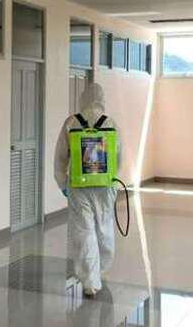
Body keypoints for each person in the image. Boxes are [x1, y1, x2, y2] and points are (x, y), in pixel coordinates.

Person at [54, 83, 120, 298]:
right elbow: (119, 157)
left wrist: (63, 184)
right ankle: (101, 270)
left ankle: (90, 281)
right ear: (102, 99)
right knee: (104, 228)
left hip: (79, 186)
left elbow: (60, 158)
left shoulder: (71, 123)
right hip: (104, 186)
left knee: (84, 230)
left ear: (82, 99)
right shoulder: (110, 123)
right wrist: (112, 181)